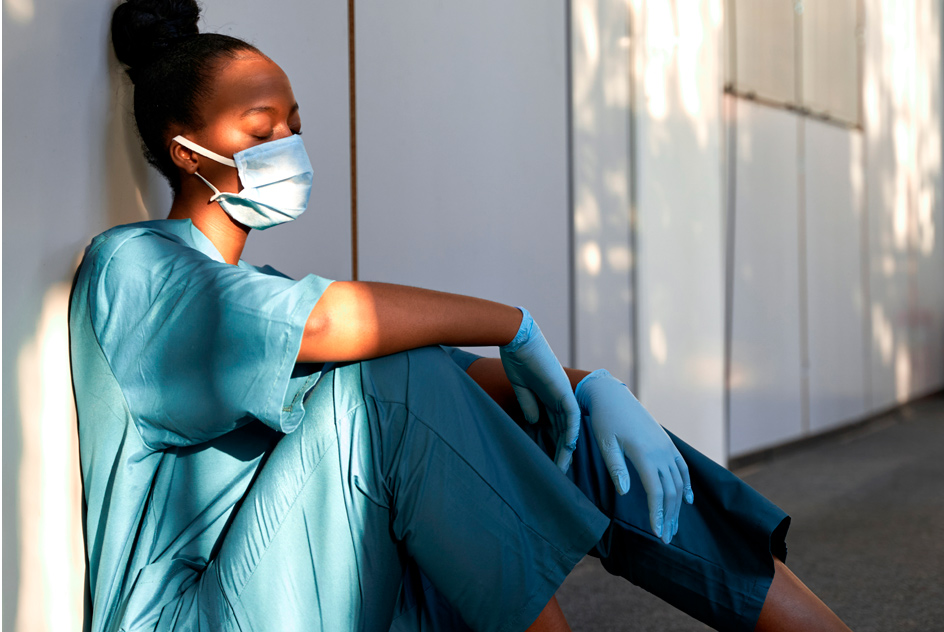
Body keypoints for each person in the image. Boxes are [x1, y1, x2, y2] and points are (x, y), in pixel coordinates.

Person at [69, 1, 853, 630]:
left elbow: (459, 385)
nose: (287, 145)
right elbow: (336, 330)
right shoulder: (136, 266)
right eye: (259, 130)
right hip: (198, 612)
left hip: (329, 582)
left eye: (295, 125)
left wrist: (589, 387)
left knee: (569, 422)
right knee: (392, 382)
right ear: (185, 149)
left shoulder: (263, 285)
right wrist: (512, 322)